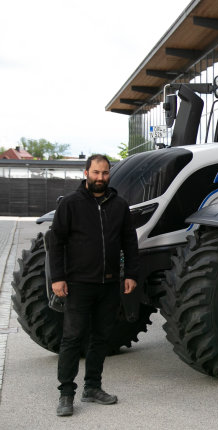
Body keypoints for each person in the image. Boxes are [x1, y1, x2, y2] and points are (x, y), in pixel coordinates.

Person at [50, 154, 139, 417]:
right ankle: (66, 394)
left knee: (100, 338)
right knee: (72, 338)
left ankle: (92, 388)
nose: (101, 178)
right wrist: (58, 277)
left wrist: (131, 274)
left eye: (105, 173)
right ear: (86, 172)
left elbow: (129, 243)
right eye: (96, 172)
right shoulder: (70, 204)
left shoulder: (120, 205)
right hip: (78, 284)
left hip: (109, 284)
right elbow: (56, 243)